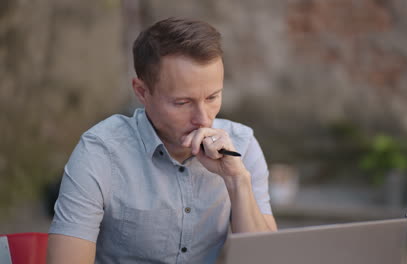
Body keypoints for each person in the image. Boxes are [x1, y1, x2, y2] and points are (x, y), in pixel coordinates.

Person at [47, 17, 277, 264]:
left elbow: (268, 260)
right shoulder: (100, 152)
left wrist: (236, 180)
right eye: (182, 103)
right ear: (142, 92)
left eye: (212, 97)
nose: (203, 119)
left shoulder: (242, 145)